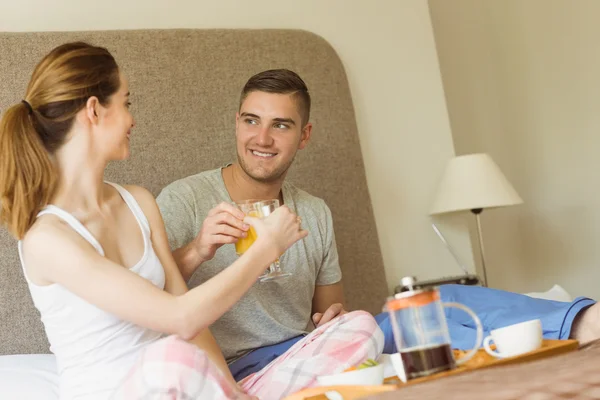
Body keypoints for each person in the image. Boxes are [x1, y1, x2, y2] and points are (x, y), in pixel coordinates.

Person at [157, 68, 600, 380]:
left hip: (311, 347)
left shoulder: (313, 212)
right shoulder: (186, 199)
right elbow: (152, 305)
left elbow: (334, 314)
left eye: (281, 126)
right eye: (251, 121)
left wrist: (331, 319)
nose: (262, 139)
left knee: (427, 304)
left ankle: (580, 323)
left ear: (304, 135)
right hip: (240, 366)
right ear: (236, 123)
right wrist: (198, 249)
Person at [0, 43, 383, 400]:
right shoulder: (47, 238)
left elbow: (191, 321)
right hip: (134, 387)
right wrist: (264, 248)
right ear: (95, 110)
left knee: (363, 328)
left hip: (189, 383)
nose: (133, 119)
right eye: (126, 103)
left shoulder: (137, 201)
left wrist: (231, 393)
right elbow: (180, 318)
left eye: (281, 125)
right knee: (174, 359)